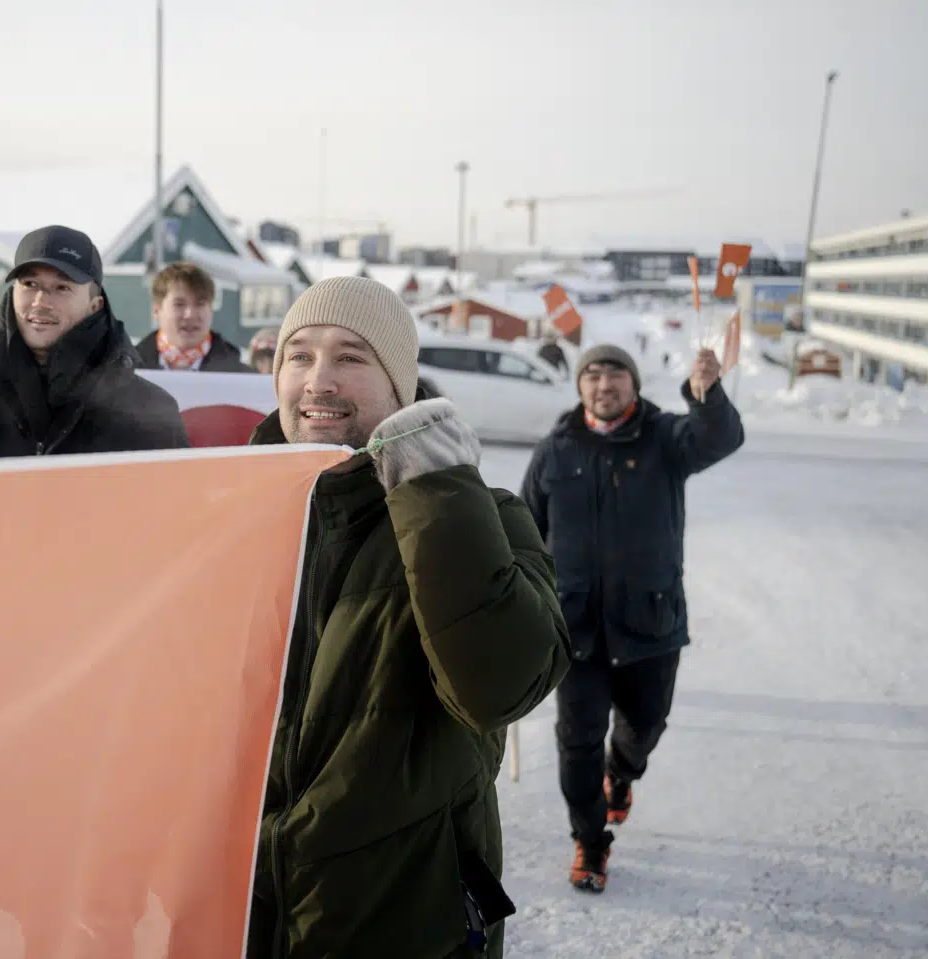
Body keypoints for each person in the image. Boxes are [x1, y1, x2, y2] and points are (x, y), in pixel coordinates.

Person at [246, 276, 571, 959]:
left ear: (401, 384)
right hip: (248, 912)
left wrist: (434, 491)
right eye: (298, 356)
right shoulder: (236, 514)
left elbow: (499, 685)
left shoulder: (485, 513)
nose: (318, 380)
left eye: (352, 357)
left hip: (404, 918)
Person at [518, 344, 744, 894]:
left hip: (650, 624)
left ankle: (621, 773)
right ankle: (590, 843)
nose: (603, 384)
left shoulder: (666, 439)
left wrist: (707, 394)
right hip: (576, 631)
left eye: (615, 373)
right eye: (592, 375)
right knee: (576, 744)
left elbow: (720, 438)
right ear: (579, 386)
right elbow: (525, 529)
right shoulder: (556, 449)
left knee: (645, 727)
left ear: (634, 384)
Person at [0, 225, 188, 462]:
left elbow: (181, 519)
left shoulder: (151, 411)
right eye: (29, 284)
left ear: (95, 305)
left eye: (62, 287)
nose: (41, 301)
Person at [134, 261, 253, 372]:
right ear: (156, 311)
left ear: (211, 309)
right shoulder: (127, 374)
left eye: (200, 304)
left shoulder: (241, 377)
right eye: (179, 304)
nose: (190, 315)